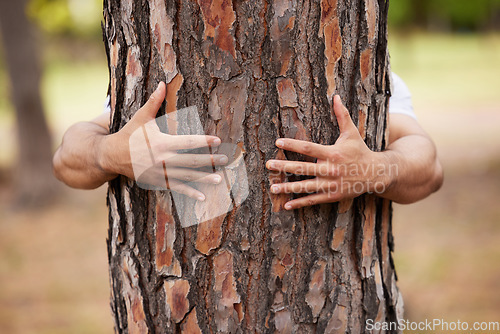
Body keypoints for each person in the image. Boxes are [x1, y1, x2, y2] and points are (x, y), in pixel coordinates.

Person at [53, 73, 443, 208]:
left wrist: (375, 170)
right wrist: (110, 152)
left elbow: (428, 168)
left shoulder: (370, 72)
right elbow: (67, 159)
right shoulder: (156, 70)